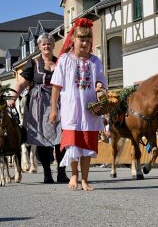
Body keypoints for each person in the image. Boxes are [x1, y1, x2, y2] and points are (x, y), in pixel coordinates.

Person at [50, 18, 107, 191]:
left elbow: (102, 82)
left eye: (88, 40)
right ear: (73, 40)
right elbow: (56, 86)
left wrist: (100, 86)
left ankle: (85, 179)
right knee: (74, 144)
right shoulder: (65, 60)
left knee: (88, 145)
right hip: (71, 110)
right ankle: (74, 176)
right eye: (82, 39)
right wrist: (54, 109)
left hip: (89, 110)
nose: (85, 43)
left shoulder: (95, 62)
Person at [8, 32, 69, 184]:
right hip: (39, 104)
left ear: (54, 46)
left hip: (59, 101)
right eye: (44, 44)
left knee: (61, 138)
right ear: (39, 47)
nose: (47, 46)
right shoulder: (33, 63)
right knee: (42, 140)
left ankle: (61, 172)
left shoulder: (61, 62)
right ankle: (47, 174)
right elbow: (21, 83)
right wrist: (12, 98)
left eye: (49, 43)